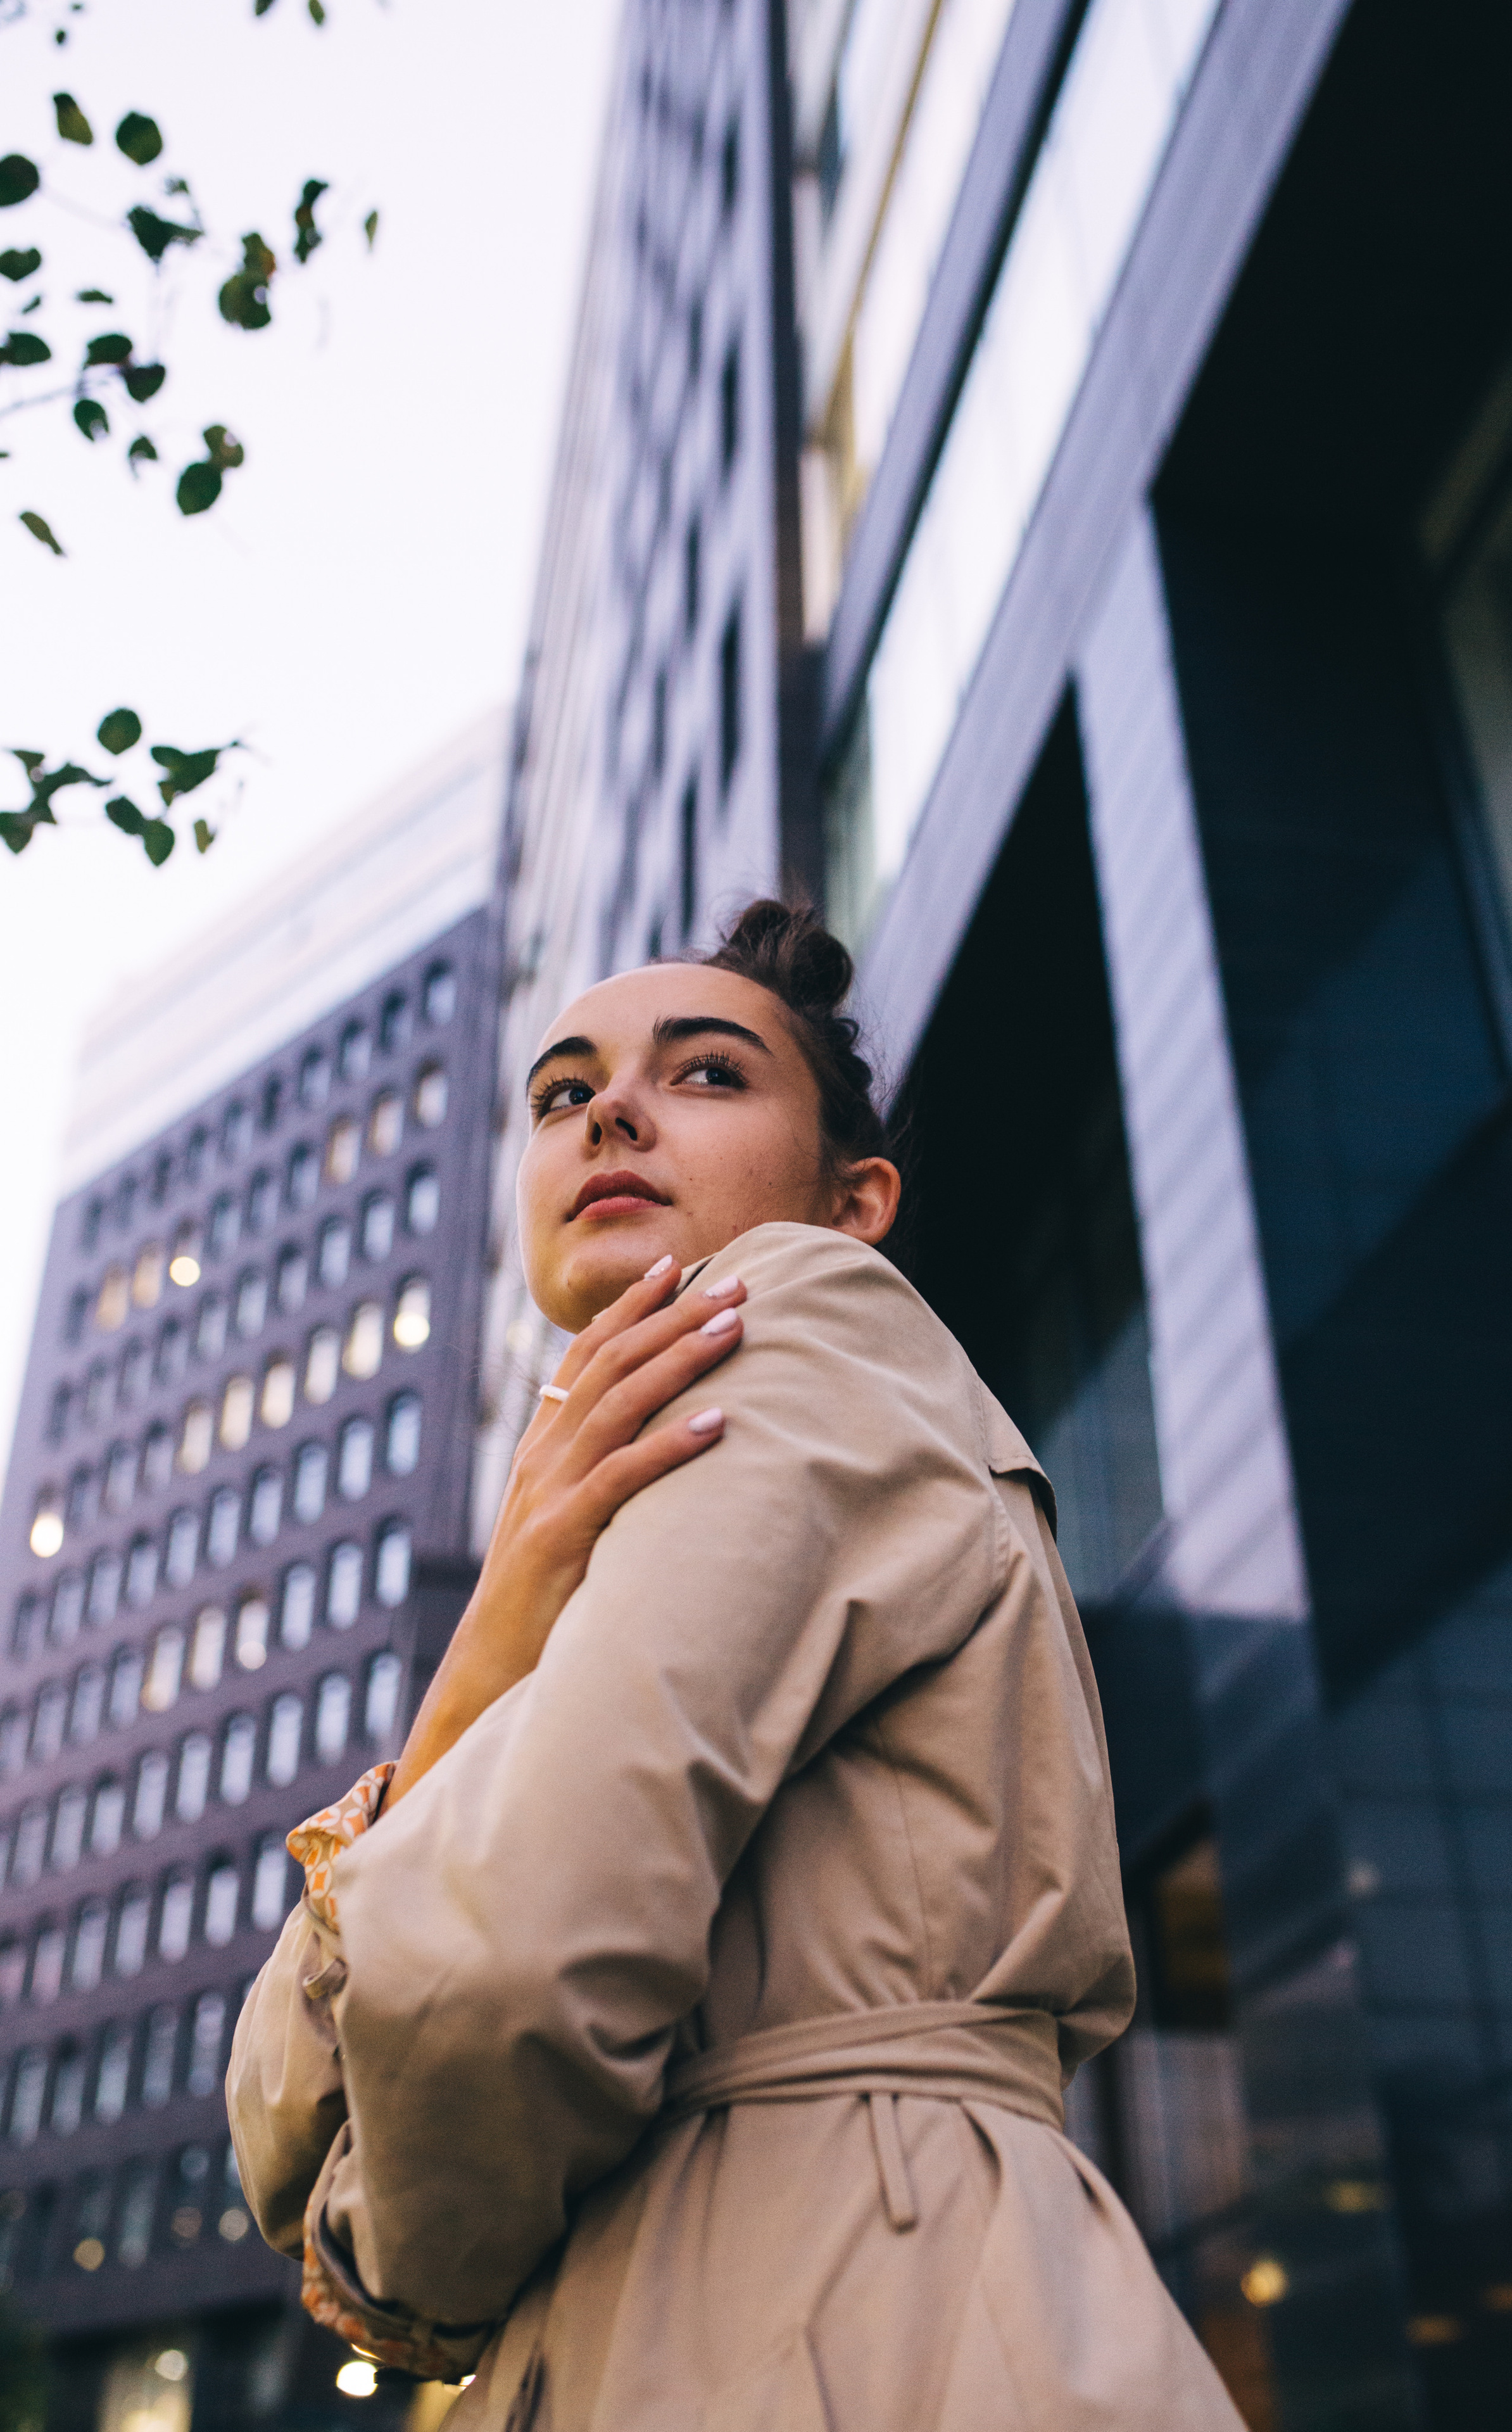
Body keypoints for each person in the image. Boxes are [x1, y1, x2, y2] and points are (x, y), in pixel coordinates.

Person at [227, 901, 1244, 2430]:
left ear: (852, 1200)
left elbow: (484, 1984)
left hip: (834, 2311)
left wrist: (392, 2273)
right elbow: (291, 2112)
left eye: (705, 1073)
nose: (610, 1113)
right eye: (562, 1093)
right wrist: (497, 1629)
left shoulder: (794, 1315)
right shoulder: (607, 1511)